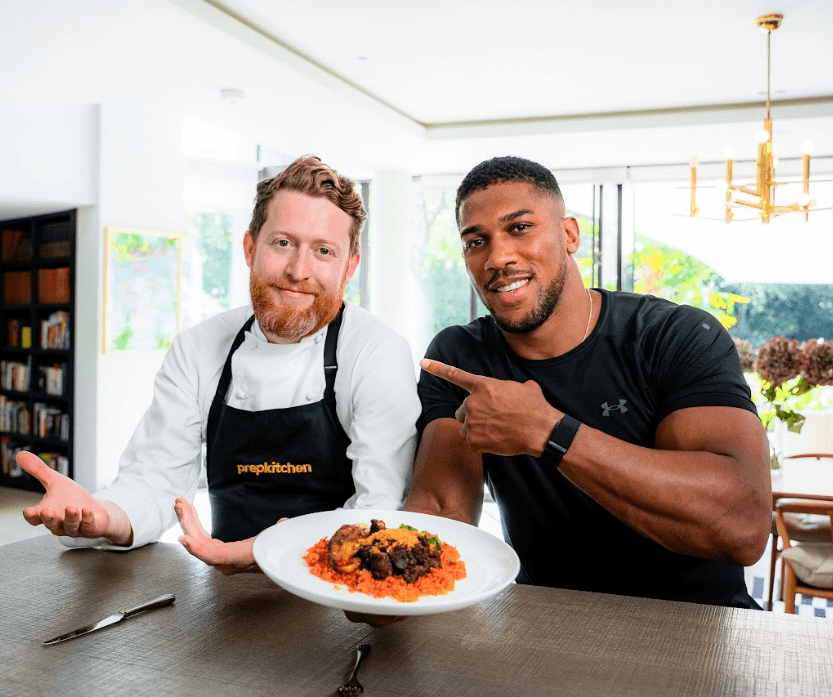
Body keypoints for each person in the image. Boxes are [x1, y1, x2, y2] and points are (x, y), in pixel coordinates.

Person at [18, 155, 421, 574]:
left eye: (323, 251)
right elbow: (157, 480)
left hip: (341, 593)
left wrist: (277, 549)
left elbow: (380, 508)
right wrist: (105, 518)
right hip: (224, 590)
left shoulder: (375, 351)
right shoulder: (199, 347)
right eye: (283, 243)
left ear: (349, 267)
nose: (299, 271)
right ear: (250, 247)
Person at [405, 155, 771, 608]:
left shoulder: (673, 336)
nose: (498, 257)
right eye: (476, 241)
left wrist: (549, 433)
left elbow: (744, 527)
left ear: (569, 234)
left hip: (698, 625)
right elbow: (441, 511)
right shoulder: (460, 357)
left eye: (519, 228)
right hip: (546, 624)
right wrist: (379, 577)